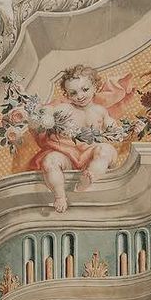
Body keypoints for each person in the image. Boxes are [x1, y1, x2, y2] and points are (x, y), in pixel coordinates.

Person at [30, 65, 138, 213]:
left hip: (90, 155)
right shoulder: (64, 108)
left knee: (106, 150)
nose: (80, 96)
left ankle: (89, 176)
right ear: (67, 95)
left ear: (95, 87)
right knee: (50, 160)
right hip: (67, 156)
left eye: (85, 89)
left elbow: (112, 129)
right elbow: (47, 112)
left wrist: (126, 129)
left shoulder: (100, 111)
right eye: (73, 93)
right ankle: (60, 196)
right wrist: (44, 114)